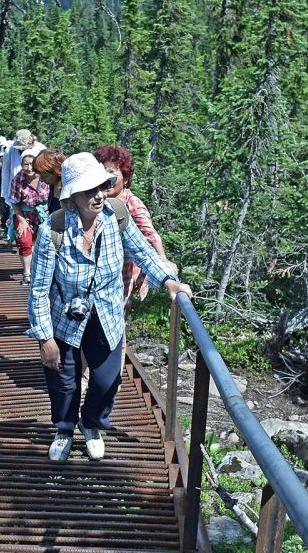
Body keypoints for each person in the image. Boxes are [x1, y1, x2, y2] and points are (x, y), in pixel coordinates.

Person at [26, 152, 192, 462]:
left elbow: (144, 253)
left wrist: (169, 281)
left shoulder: (117, 217)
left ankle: (91, 425)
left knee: (106, 379)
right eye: (90, 190)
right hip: (65, 317)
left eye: (102, 187)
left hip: (107, 314)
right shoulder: (53, 229)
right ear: (72, 194)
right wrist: (44, 339)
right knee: (64, 380)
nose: (99, 196)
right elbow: (38, 288)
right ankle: (64, 429)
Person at [93, 144, 174, 309]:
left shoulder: (131, 203)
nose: (107, 179)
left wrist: (163, 259)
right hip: (101, 272)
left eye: (112, 173)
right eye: (103, 173)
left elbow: (149, 233)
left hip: (123, 274)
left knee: (117, 314)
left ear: (126, 179)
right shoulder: (97, 200)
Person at [11, 145, 50, 284]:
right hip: (24, 213)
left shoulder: (46, 176)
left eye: (31, 164)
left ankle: (40, 271)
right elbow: (14, 202)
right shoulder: (18, 180)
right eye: (25, 164)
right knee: (24, 241)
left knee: (43, 243)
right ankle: (27, 273)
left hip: (43, 214)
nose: (28, 168)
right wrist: (21, 221)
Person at [1, 129, 40, 244]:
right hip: (15, 190)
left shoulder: (39, 148)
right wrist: (5, 194)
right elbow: (5, 172)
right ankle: (16, 238)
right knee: (15, 217)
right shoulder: (10, 151)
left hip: (35, 192)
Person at [32, 149, 65, 214]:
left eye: (45, 176)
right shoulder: (53, 184)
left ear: (57, 171)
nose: (41, 180)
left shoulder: (69, 190)